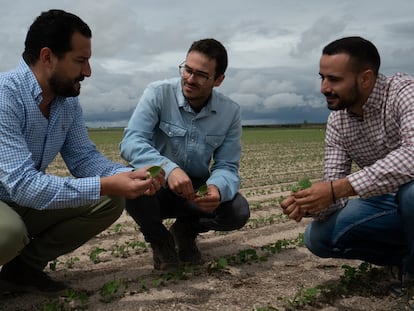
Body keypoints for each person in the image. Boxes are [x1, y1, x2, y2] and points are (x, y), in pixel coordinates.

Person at [0, 9, 164, 294]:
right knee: (7, 233)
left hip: (15, 199)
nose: (87, 72)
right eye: (80, 61)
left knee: (110, 199)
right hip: (11, 198)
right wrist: (105, 182)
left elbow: (83, 157)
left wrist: (127, 175)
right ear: (47, 56)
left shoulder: (66, 102)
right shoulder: (5, 97)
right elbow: (23, 185)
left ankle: (21, 271)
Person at [280, 36, 414, 306]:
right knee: (318, 238)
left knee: (412, 194)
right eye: (322, 78)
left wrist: (338, 188)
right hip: (387, 204)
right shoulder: (338, 121)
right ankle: (405, 257)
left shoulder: (404, 92)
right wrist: (309, 203)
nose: (324, 88)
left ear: (365, 78)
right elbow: (333, 187)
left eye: (334, 79)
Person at [120, 38, 250, 270]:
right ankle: (160, 240)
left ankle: (184, 232)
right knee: (133, 187)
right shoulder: (158, 93)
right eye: (187, 70)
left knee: (237, 211)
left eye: (201, 74)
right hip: (157, 183)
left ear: (218, 80)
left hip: (195, 189)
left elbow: (227, 165)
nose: (190, 79)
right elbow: (131, 141)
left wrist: (217, 189)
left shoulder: (230, 112)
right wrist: (168, 169)